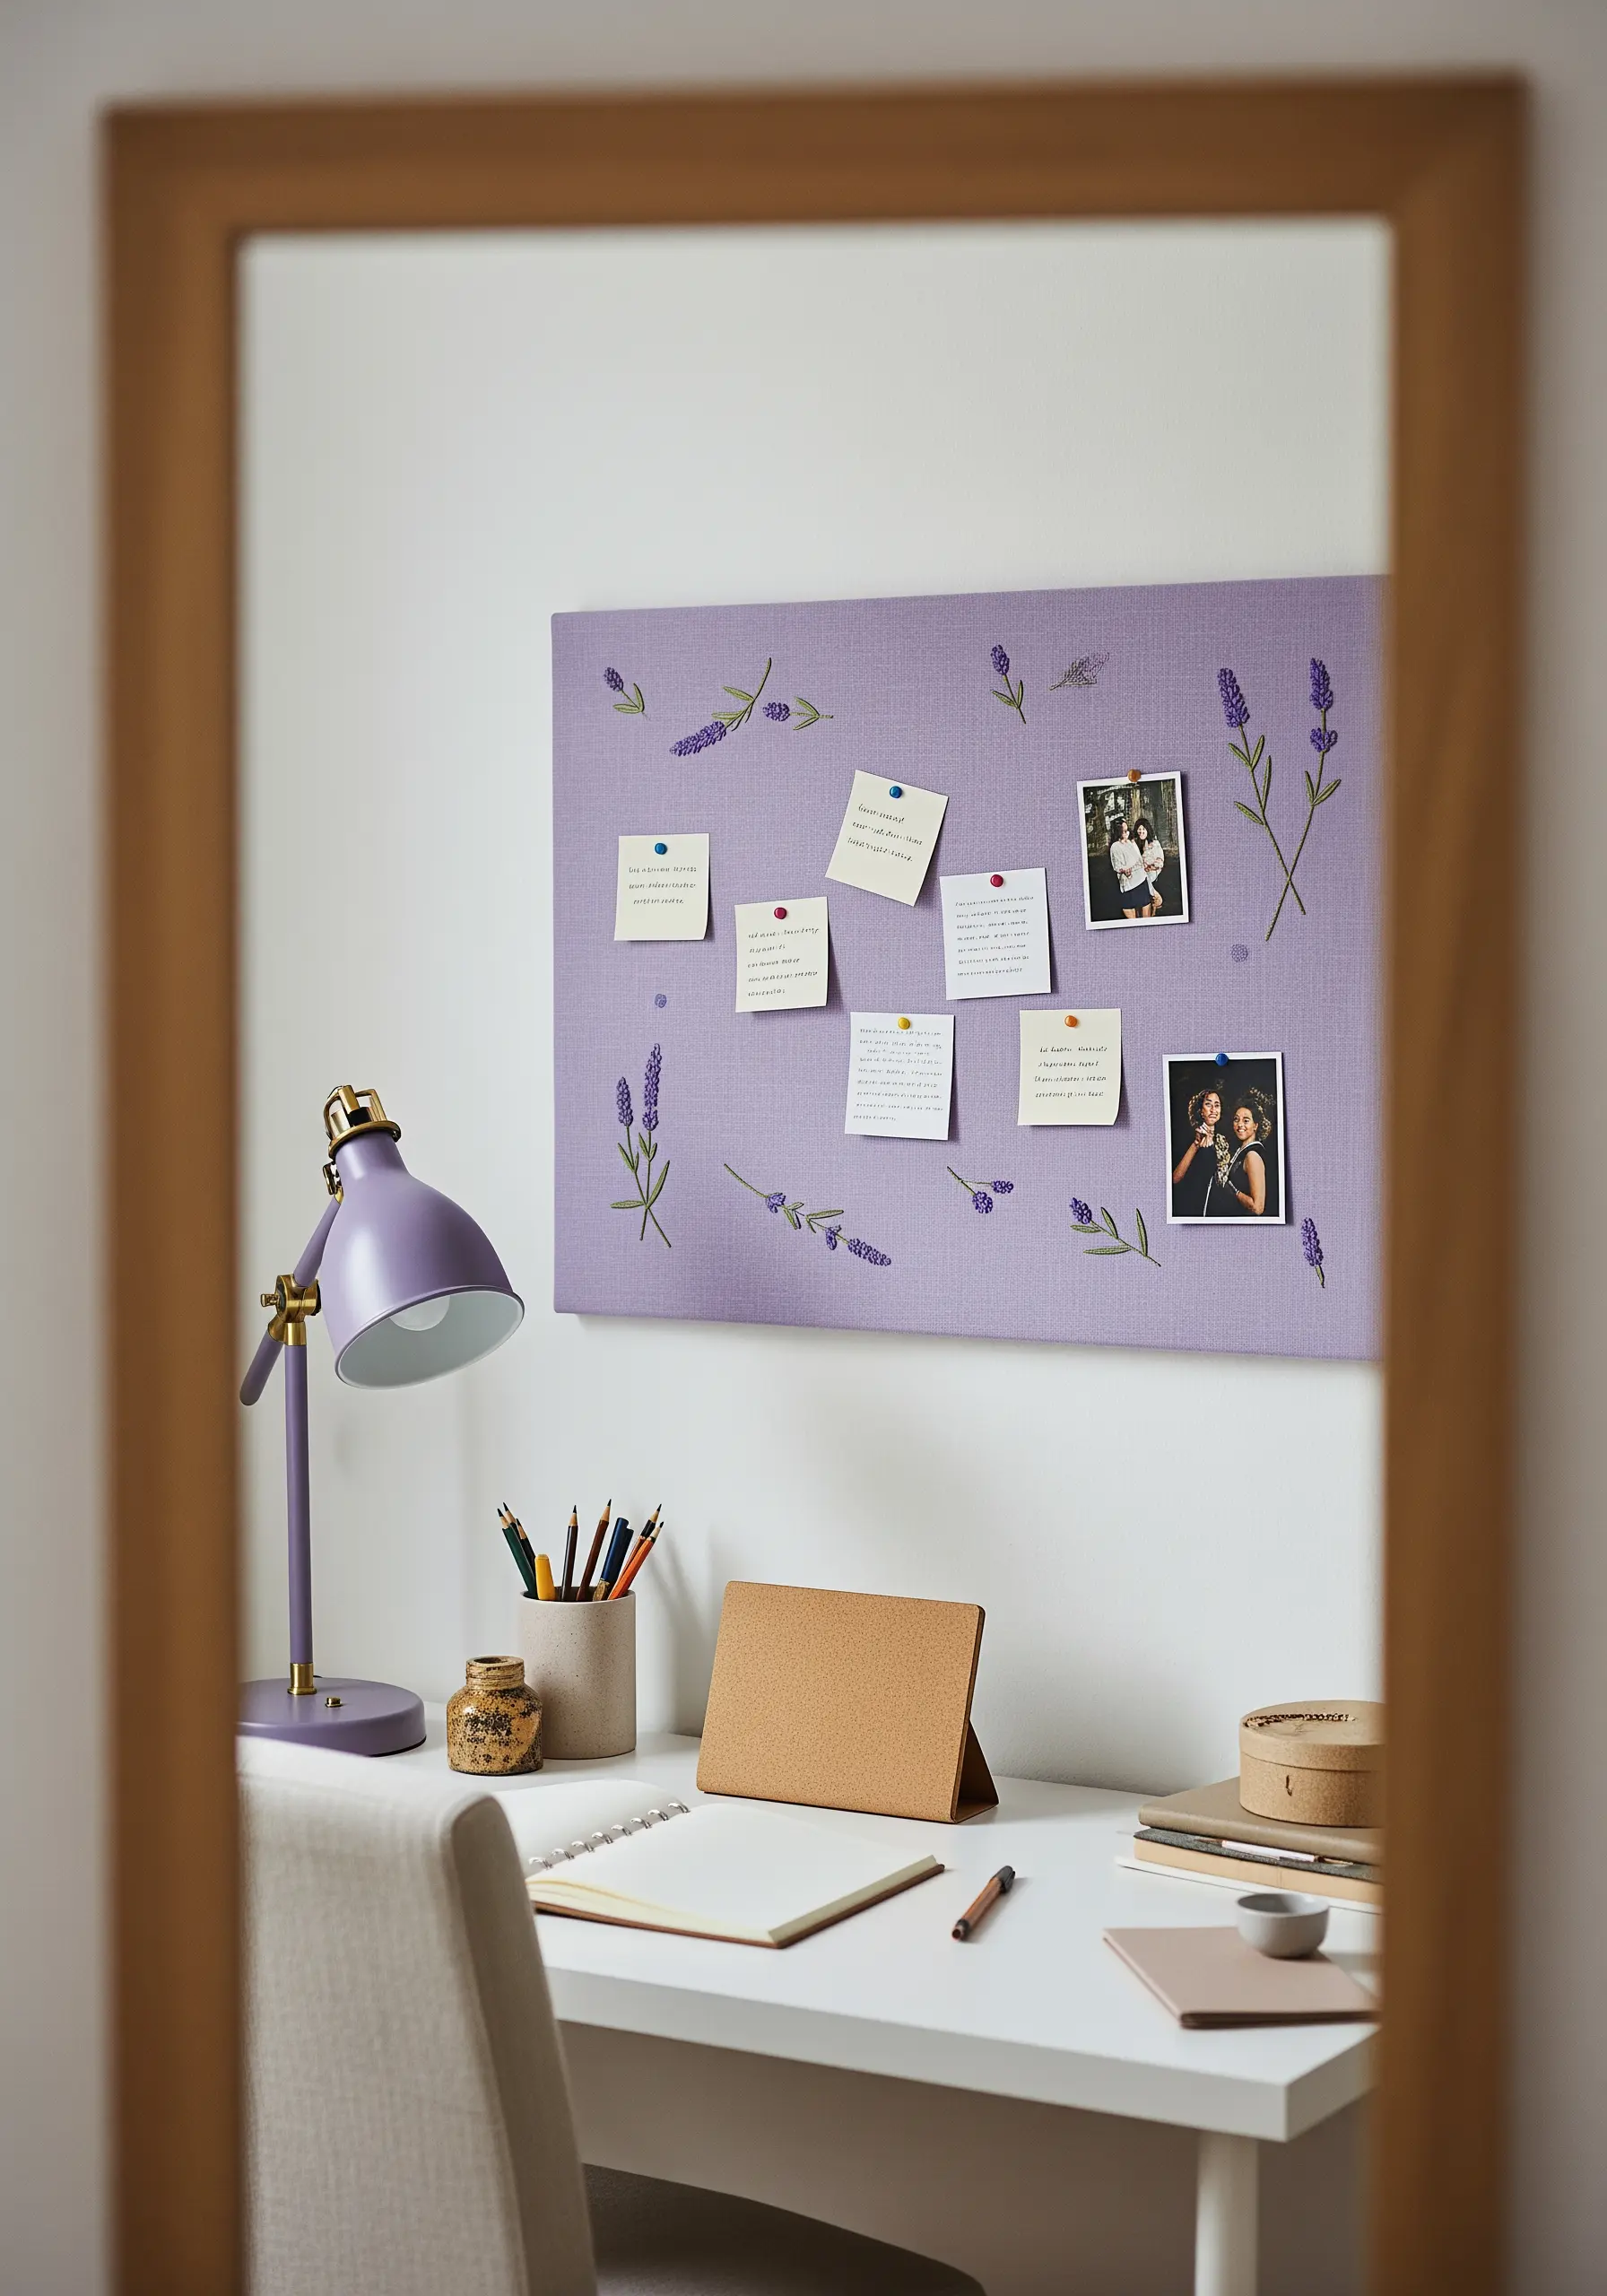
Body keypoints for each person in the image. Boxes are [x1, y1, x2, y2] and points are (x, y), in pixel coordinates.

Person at [1207, 1089, 1276, 1218]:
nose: (1240, 1125)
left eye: (1246, 1120)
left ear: (1255, 1125)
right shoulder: (1239, 1152)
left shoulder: (1252, 1155)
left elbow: (1257, 1208)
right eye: (1236, 1119)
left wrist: (1233, 1190)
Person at [1170, 1086, 1223, 1217]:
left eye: (1217, 1105)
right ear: (1201, 1111)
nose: (1213, 1110)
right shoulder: (1190, 1137)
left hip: (1212, 1207)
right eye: (1208, 1104)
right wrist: (1195, 1145)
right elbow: (1175, 1178)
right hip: (1190, 1205)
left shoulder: (1222, 1140)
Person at [1106, 813, 1151, 919]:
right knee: (1132, 919)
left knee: (1146, 917)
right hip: (1129, 886)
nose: (1127, 833)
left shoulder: (1131, 842)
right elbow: (1117, 866)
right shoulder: (1115, 846)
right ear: (1118, 832)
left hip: (1142, 881)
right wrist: (1126, 870)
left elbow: (1139, 859)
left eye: (1127, 830)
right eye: (1124, 831)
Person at [1135, 817, 1165, 914]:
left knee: (1142, 878)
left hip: (1152, 871)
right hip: (1140, 871)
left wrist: (1150, 867)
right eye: (1139, 829)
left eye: (1143, 829)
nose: (1141, 832)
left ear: (1147, 830)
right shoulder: (1136, 843)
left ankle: (1156, 896)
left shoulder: (1155, 843)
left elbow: (1160, 862)